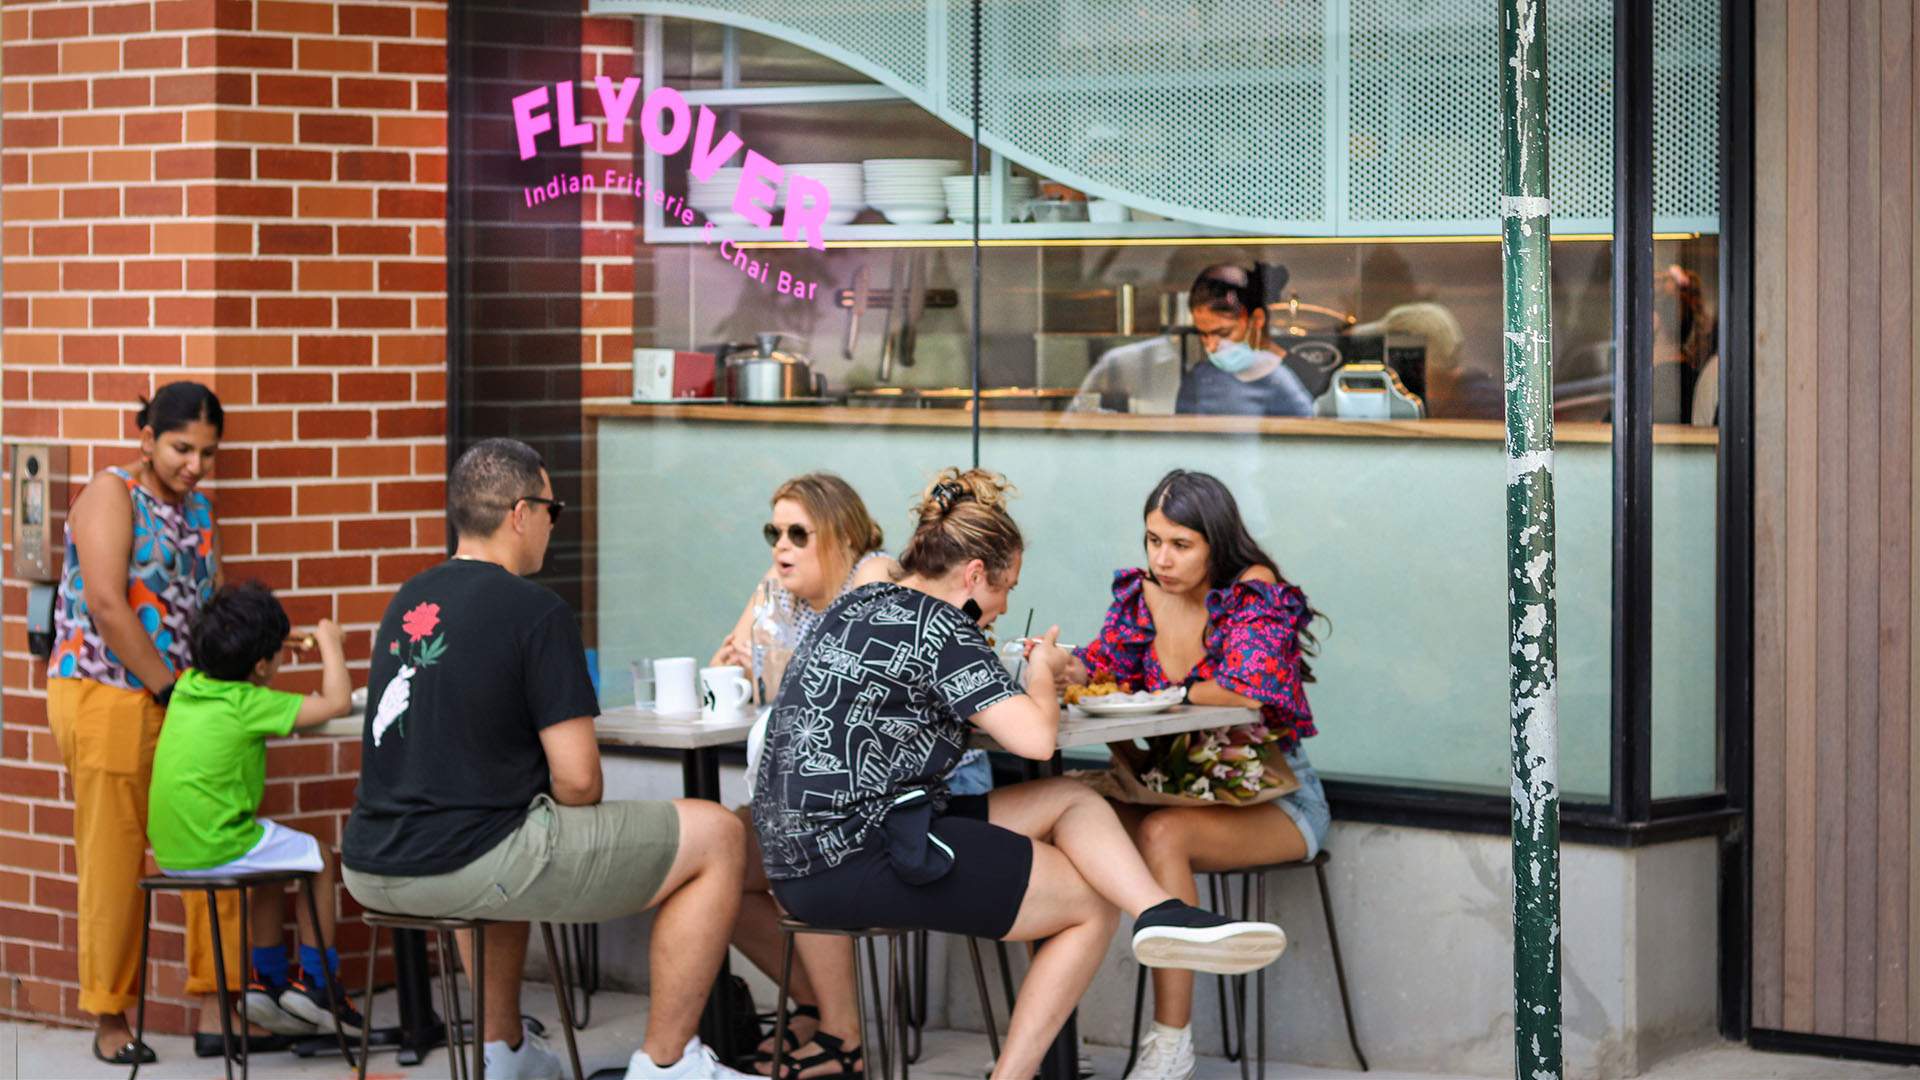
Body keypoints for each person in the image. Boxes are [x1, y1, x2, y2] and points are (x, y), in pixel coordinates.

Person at [751, 468, 1289, 1080]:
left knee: (1071, 799)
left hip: (809, 850)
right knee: (1087, 901)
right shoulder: (943, 627)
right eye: (1007, 588)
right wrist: (1040, 670)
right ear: (975, 575)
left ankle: (1164, 914)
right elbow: (1034, 738)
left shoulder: (865, 598)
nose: (1004, 605)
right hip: (857, 854)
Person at [341, 438, 753, 1080]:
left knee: (500, 833)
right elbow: (580, 780)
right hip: (466, 861)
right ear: (519, 512)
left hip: (372, 862)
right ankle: (669, 1065)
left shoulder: (408, 602)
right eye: (552, 509)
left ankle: (504, 1054)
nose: (553, 525)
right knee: (721, 834)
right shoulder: (536, 612)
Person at [1059, 469, 1331, 1080]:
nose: (1163, 558)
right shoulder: (1139, 594)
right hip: (1178, 788)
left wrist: (1163, 688)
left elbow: (1245, 687)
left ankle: (1170, 1045)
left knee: (1162, 836)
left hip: (1278, 799)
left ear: (1215, 541)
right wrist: (1061, 667)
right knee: (1065, 812)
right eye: (1153, 541)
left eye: (1181, 545)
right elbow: (1104, 666)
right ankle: (1051, 1038)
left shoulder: (1252, 592)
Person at [46, 382, 260, 1064]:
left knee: (212, 834)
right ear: (146, 439)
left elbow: (209, 603)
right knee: (115, 854)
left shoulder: (201, 509)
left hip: (180, 697)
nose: (194, 463)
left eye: (207, 451)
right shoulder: (111, 494)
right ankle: (110, 1020)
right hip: (107, 692)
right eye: (180, 447)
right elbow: (109, 606)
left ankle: (215, 1005)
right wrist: (171, 690)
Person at [147, 584, 361, 1039]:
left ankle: (265, 983)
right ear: (261, 666)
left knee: (277, 856)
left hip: (173, 850)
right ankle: (318, 986)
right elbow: (338, 702)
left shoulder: (188, 686)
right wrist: (328, 642)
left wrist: (267, 646)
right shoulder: (248, 703)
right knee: (320, 858)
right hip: (217, 846)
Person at [1174, 265, 1315, 418]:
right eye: (1203, 335)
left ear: (1257, 320)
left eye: (1223, 333)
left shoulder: (1289, 379)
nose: (1211, 346)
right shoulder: (1198, 380)